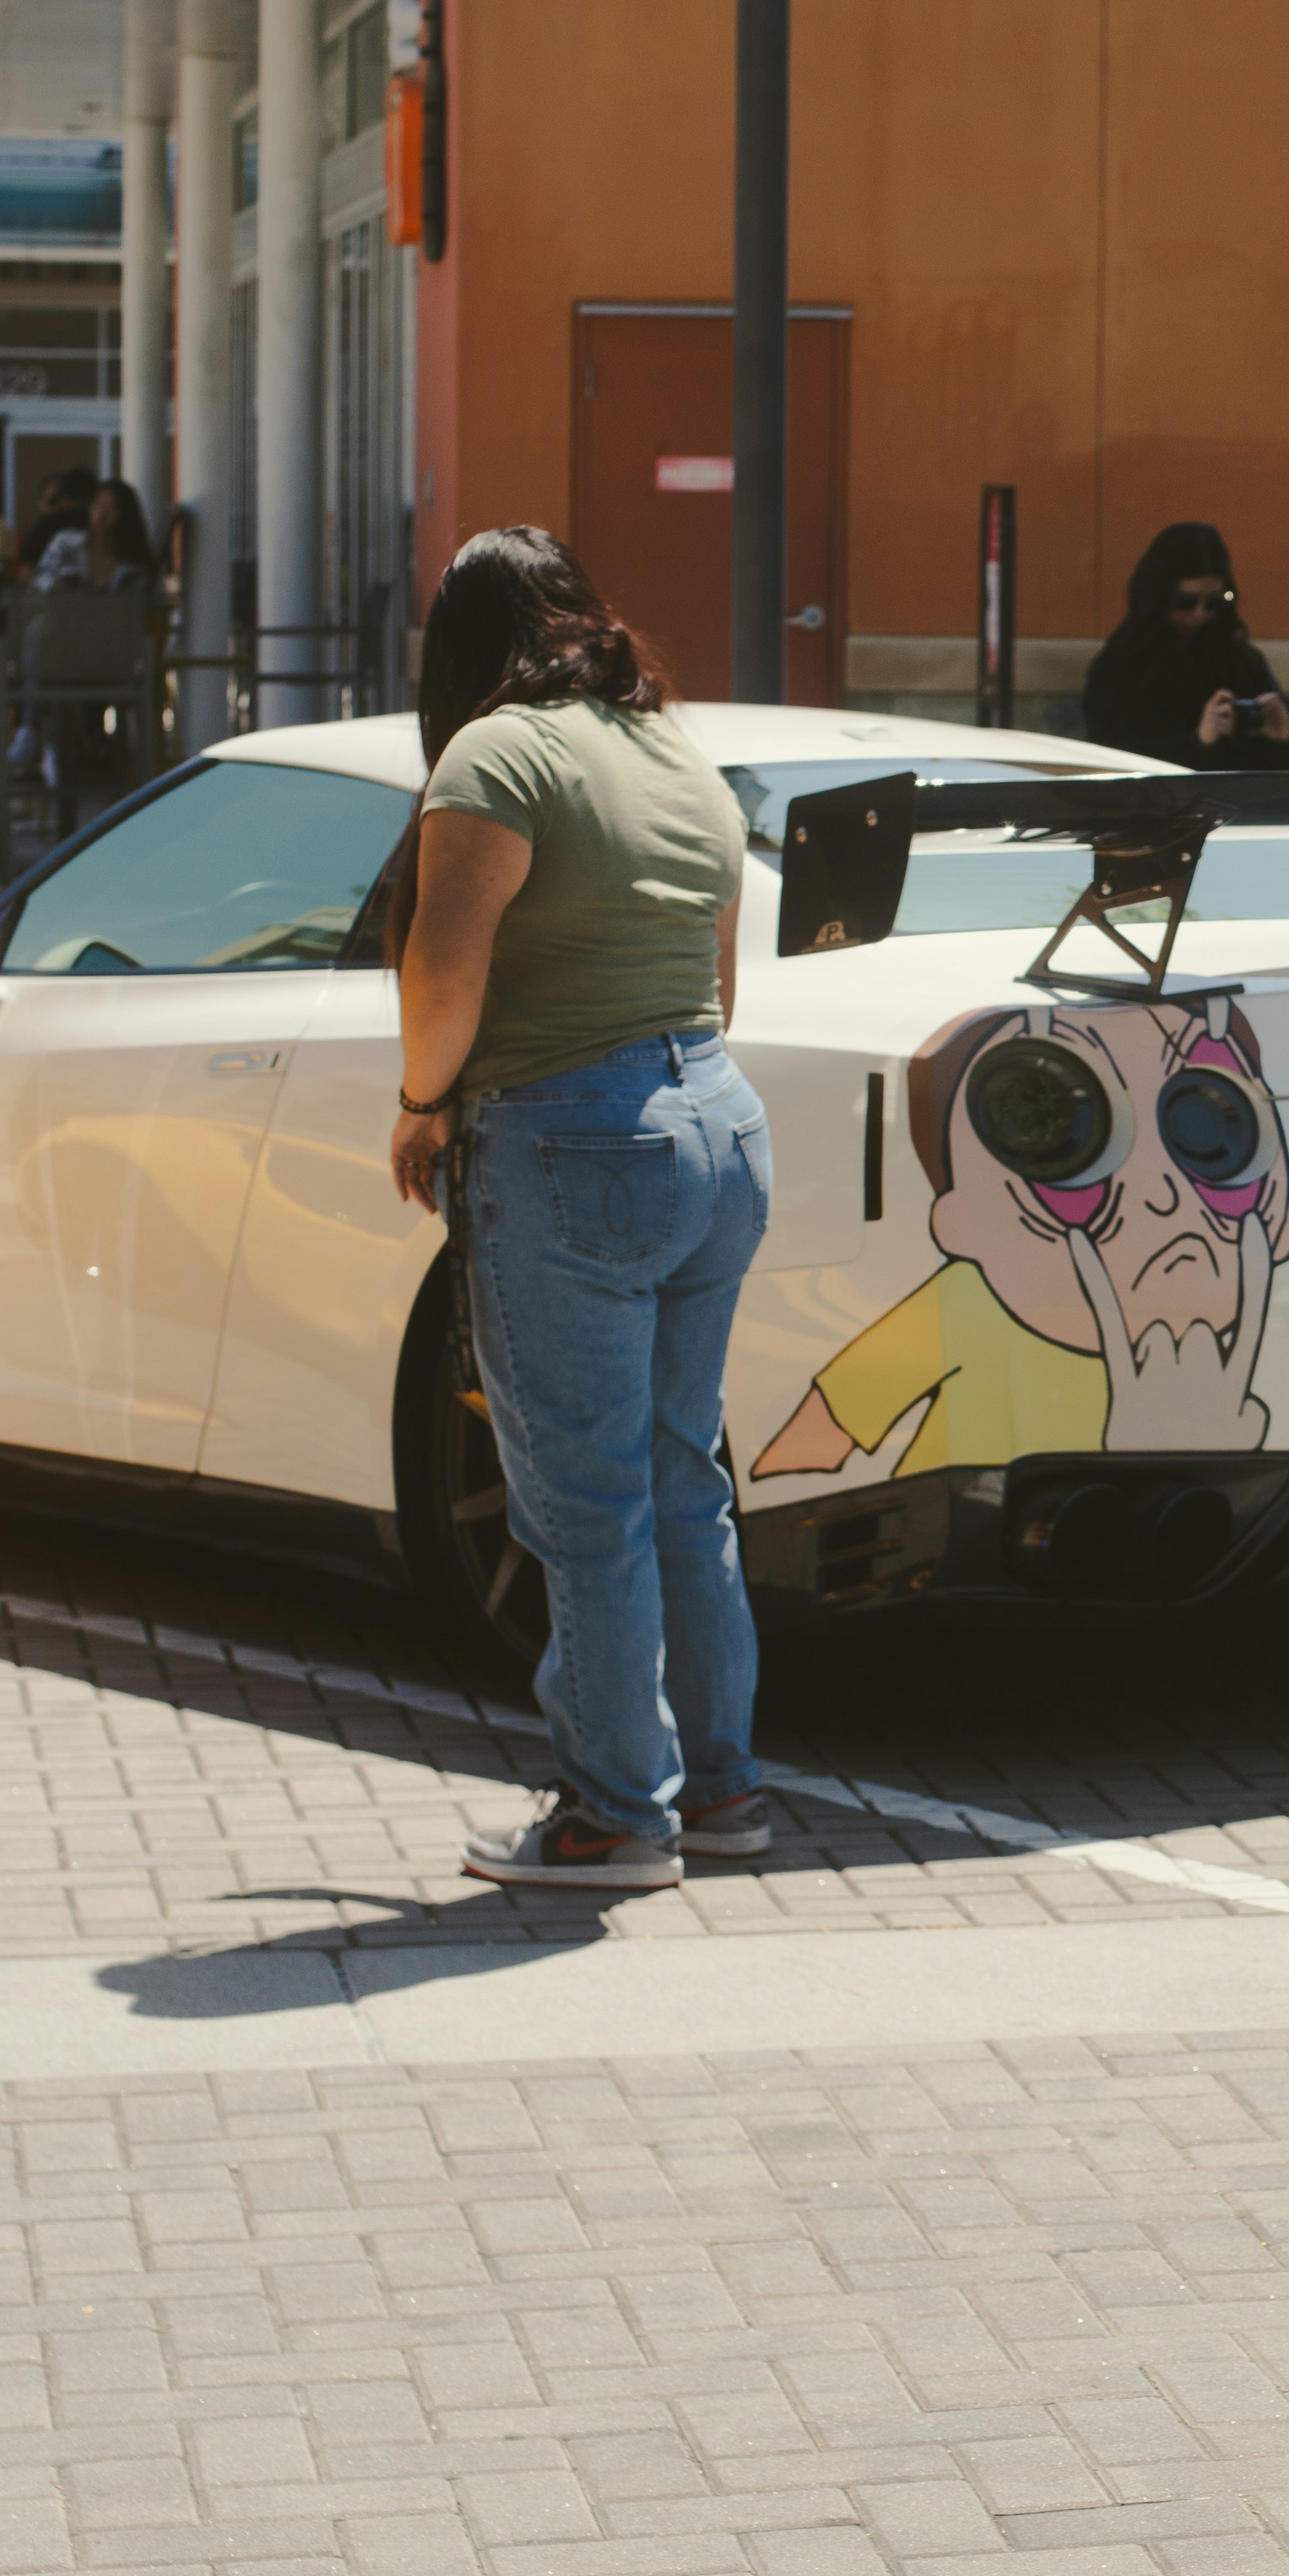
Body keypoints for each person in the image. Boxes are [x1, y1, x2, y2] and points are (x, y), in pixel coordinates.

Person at [393, 527, 777, 1891]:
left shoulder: (492, 755)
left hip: (572, 1140)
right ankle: (720, 1788)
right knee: (684, 1480)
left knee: (587, 1498)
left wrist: (422, 1098)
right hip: (720, 1124)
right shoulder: (677, 751)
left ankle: (614, 1814)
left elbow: (441, 974)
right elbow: (720, 988)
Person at [1083, 522, 1289, 770]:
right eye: (1185, 601)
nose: (1200, 613)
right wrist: (1198, 741)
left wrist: (1287, 738)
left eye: (1215, 602)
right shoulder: (1120, 666)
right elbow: (1112, 760)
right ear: (1158, 597)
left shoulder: (1240, 660)